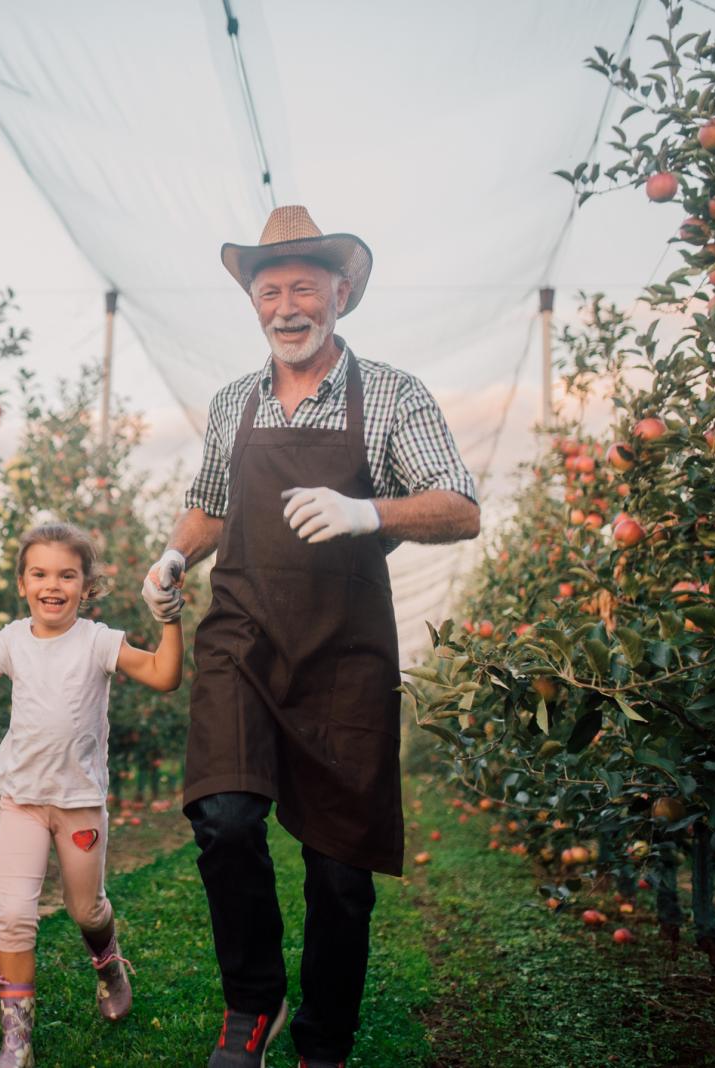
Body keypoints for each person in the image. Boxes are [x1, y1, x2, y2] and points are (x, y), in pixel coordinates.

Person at [140, 206, 480, 1068]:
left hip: (344, 652)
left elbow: (461, 507)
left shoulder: (393, 394)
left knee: (340, 871)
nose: (286, 306)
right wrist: (174, 557)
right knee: (222, 818)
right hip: (242, 637)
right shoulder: (233, 402)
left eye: (302, 287)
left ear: (340, 291)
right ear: (252, 301)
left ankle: (324, 1039)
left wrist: (370, 509)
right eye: (269, 290)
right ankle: (253, 1002)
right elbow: (212, 504)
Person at [0, 522, 182, 1068]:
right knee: (14, 917)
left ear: (86, 584)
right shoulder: (11, 639)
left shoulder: (97, 640)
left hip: (78, 803)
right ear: (23, 583)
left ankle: (109, 964)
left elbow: (165, 676)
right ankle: (17, 1044)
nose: (53, 585)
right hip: (21, 801)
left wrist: (169, 620)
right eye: (40, 573)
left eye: (67, 575)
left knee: (86, 907)